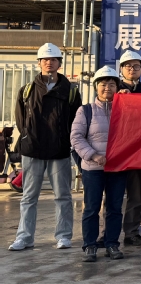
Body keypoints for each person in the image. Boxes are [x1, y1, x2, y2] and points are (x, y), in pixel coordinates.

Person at [9, 43, 81, 252]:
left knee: (63, 195)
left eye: (53, 59)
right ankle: (24, 237)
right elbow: (21, 120)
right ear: (39, 63)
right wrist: (29, 138)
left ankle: (64, 236)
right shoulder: (27, 91)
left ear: (60, 63)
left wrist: (66, 141)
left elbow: (76, 121)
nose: (49, 62)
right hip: (33, 150)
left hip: (59, 150)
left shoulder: (70, 91)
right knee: (29, 197)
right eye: (45, 59)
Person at [71, 66, 127, 262]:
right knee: (92, 208)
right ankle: (90, 245)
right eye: (103, 84)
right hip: (93, 168)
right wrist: (93, 155)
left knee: (114, 208)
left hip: (117, 168)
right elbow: (76, 137)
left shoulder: (125, 110)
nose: (107, 88)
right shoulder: (86, 110)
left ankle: (112, 244)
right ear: (96, 87)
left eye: (112, 84)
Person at [116, 50, 141, 248]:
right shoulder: (112, 90)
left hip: (138, 153)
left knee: (136, 196)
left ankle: (131, 233)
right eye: (128, 66)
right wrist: (117, 98)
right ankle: (108, 233)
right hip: (115, 152)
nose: (132, 69)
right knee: (113, 196)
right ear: (121, 69)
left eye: (136, 66)